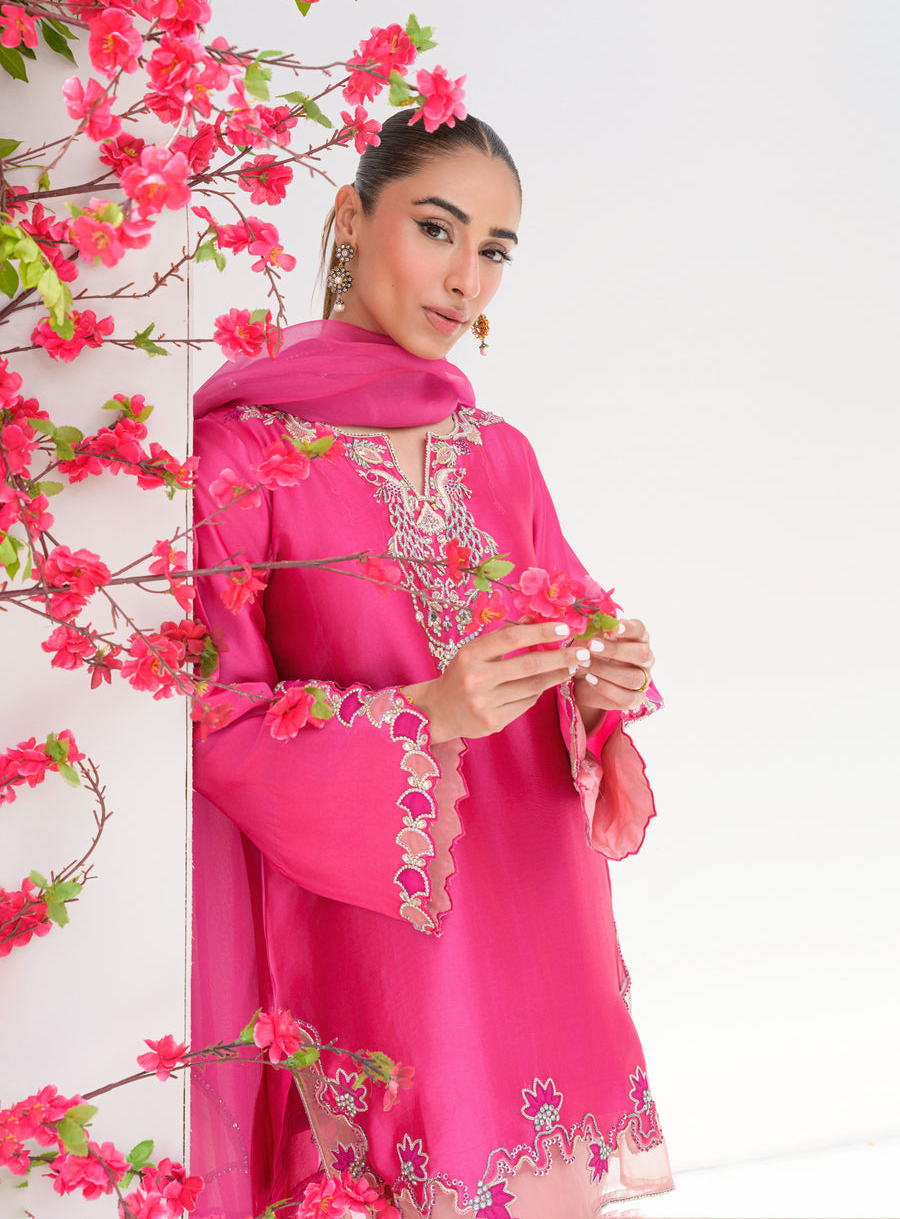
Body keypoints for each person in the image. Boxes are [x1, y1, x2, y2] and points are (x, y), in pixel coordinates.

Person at [190, 109, 674, 1218]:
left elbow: (568, 634)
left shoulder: (500, 454)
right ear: (352, 219)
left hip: (535, 906)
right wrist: (428, 712)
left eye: (495, 250)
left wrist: (599, 680)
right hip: (385, 936)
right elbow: (214, 720)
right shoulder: (243, 457)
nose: (467, 280)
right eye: (438, 229)